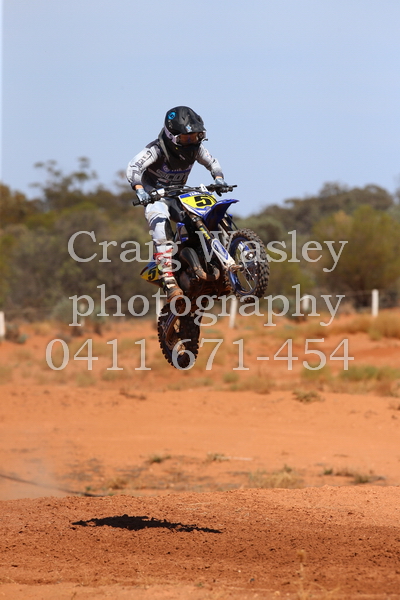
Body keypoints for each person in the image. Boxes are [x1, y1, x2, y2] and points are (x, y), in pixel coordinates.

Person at [126, 106, 228, 301]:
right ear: (171, 136)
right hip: (155, 195)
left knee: (205, 214)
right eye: (185, 138)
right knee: (160, 223)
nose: (191, 142)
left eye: (195, 136)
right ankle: (169, 280)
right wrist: (140, 190)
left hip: (178, 194)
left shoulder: (197, 149)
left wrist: (219, 178)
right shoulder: (156, 149)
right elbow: (134, 166)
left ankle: (214, 263)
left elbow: (212, 162)